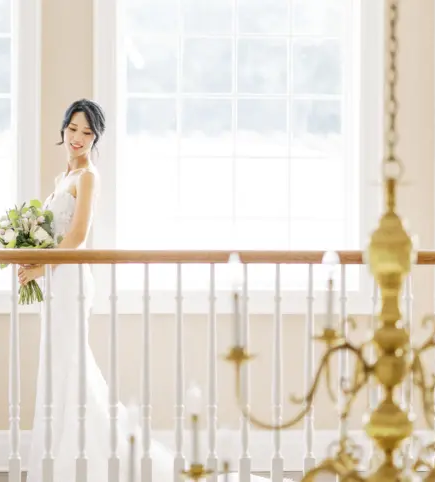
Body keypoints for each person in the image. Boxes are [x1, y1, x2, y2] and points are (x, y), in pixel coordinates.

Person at [20, 99, 291, 482]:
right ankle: (60, 454)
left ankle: (87, 460)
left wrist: (40, 266)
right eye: (73, 129)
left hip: (70, 279)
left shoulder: (87, 178)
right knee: (57, 365)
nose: (78, 138)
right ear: (63, 128)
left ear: (95, 137)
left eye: (87, 132)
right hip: (55, 281)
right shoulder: (60, 179)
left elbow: (78, 236)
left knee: (72, 364)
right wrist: (33, 258)